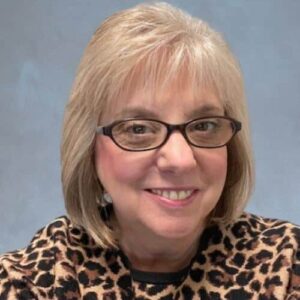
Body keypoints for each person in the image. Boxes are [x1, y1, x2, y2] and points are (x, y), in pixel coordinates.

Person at [0, 2, 299, 299]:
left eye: (204, 126)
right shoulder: (30, 282)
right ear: (89, 148)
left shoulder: (287, 265)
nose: (180, 160)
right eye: (139, 129)